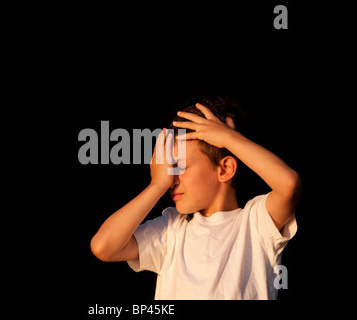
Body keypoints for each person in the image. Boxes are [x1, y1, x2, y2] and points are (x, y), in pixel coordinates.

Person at [90, 98, 301, 300]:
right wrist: (156, 185)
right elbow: (104, 247)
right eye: (167, 170)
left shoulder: (255, 224)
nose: (170, 180)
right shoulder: (172, 229)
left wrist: (228, 138)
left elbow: (288, 185)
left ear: (225, 169)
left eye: (179, 167)